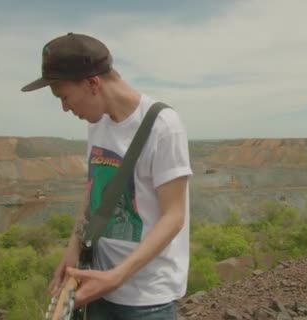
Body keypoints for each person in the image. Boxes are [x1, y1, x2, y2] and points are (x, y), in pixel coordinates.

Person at [21, 32, 192, 319]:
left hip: (146, 299)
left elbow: (174, 217)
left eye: (64, 97)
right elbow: (93, 191)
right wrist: (72, 248)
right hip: (98, 287)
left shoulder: (164, 126)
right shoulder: (97, 124)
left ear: (92, 83)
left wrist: (118, 276)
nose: (65, 108)